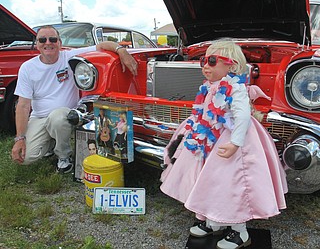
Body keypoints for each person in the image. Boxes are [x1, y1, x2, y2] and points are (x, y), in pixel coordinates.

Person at [160, 39, 288, 249]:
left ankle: (239, 231)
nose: (205, 65)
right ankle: (212, 222)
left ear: (232, 65)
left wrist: (235, 143)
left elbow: (242, 116)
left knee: (231, 185)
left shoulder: (235, 88)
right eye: (203, 60)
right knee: (207, 181)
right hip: (209, 141)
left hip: (233, 142)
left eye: (212, 61)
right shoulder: (209, 87)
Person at [11, 25, 138, 173]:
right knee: (26, 158)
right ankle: (51, 143)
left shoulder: (70, 56)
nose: (48, 43)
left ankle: (63, 157)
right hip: (39, 117)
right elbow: (23, 106)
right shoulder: (27, 68)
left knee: (58, 119)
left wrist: (121, 50)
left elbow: (103, 45)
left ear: (59, 42)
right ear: (37, 43)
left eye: (53, 39)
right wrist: (19, 139)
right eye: (42, 40)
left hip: (64, 115)